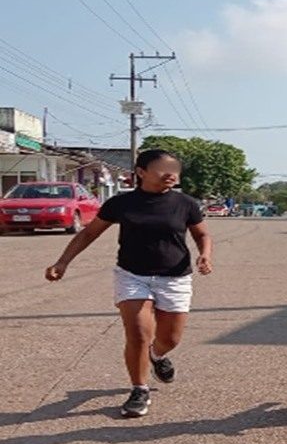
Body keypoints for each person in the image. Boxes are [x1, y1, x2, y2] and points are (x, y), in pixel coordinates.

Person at [44, 149, 213, 418]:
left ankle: (157, 356)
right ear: (141, 172)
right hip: (132, 275)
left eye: (174, 169)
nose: (170, 174)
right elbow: (89, 233)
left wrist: (205, 254)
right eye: (162, 168)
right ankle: (139, 388)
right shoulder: (121, 203)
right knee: (138, 333)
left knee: (170, 339)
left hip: (175, 277)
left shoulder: (185, 203)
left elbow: (202, 234)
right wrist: (62, 262)